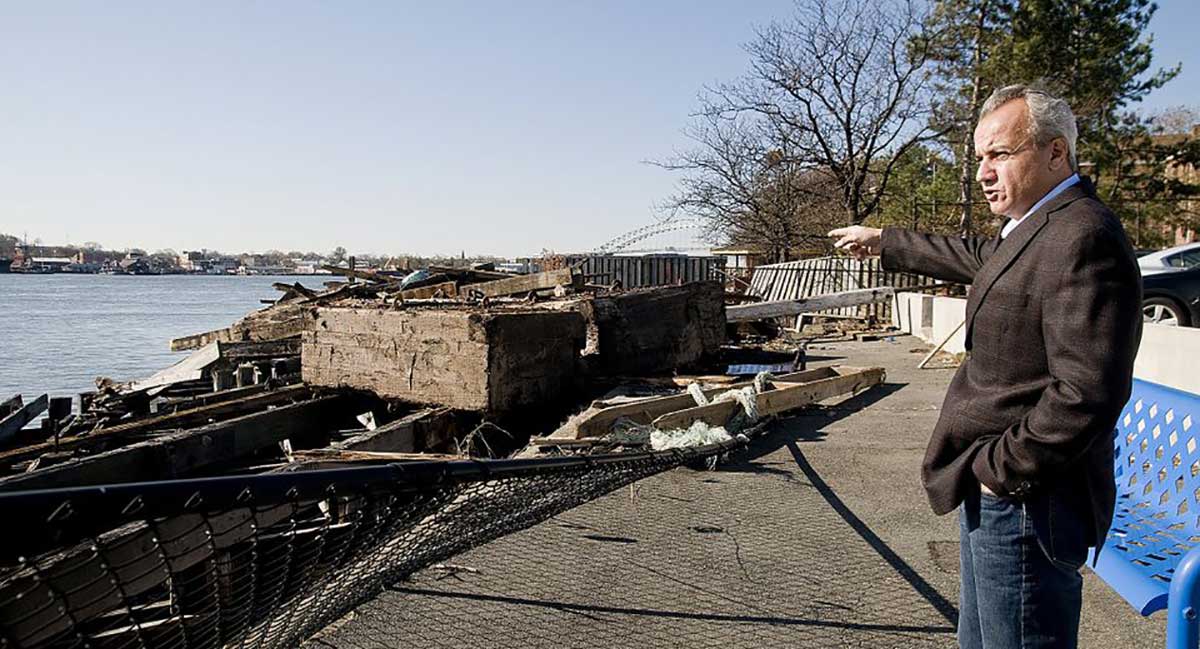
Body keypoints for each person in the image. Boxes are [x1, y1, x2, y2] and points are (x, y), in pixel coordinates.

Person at [829, 85, 1142, 649]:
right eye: (979, 158)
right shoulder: (1037, 226)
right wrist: (884, 241)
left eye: (999, 154)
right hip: (999, 487)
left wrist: (1001, 471)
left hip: (1028, 499)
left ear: (1054, 153)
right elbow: (975, 255)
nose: (983, 172)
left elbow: (1088, 390)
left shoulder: (1084, 236)